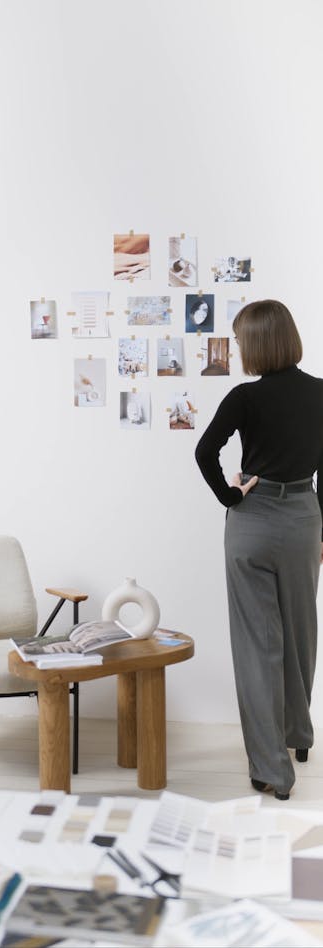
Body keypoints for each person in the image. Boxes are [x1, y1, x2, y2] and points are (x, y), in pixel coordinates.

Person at [195, 299, 323, 801]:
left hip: (252, 521)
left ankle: (272, 768)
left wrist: (231, 495)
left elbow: (205, 452)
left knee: (257, 646)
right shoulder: (321, 393)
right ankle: (299, 735)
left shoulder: (244, 397)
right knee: (300, 633)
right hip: (303, 519)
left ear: (255, 344)